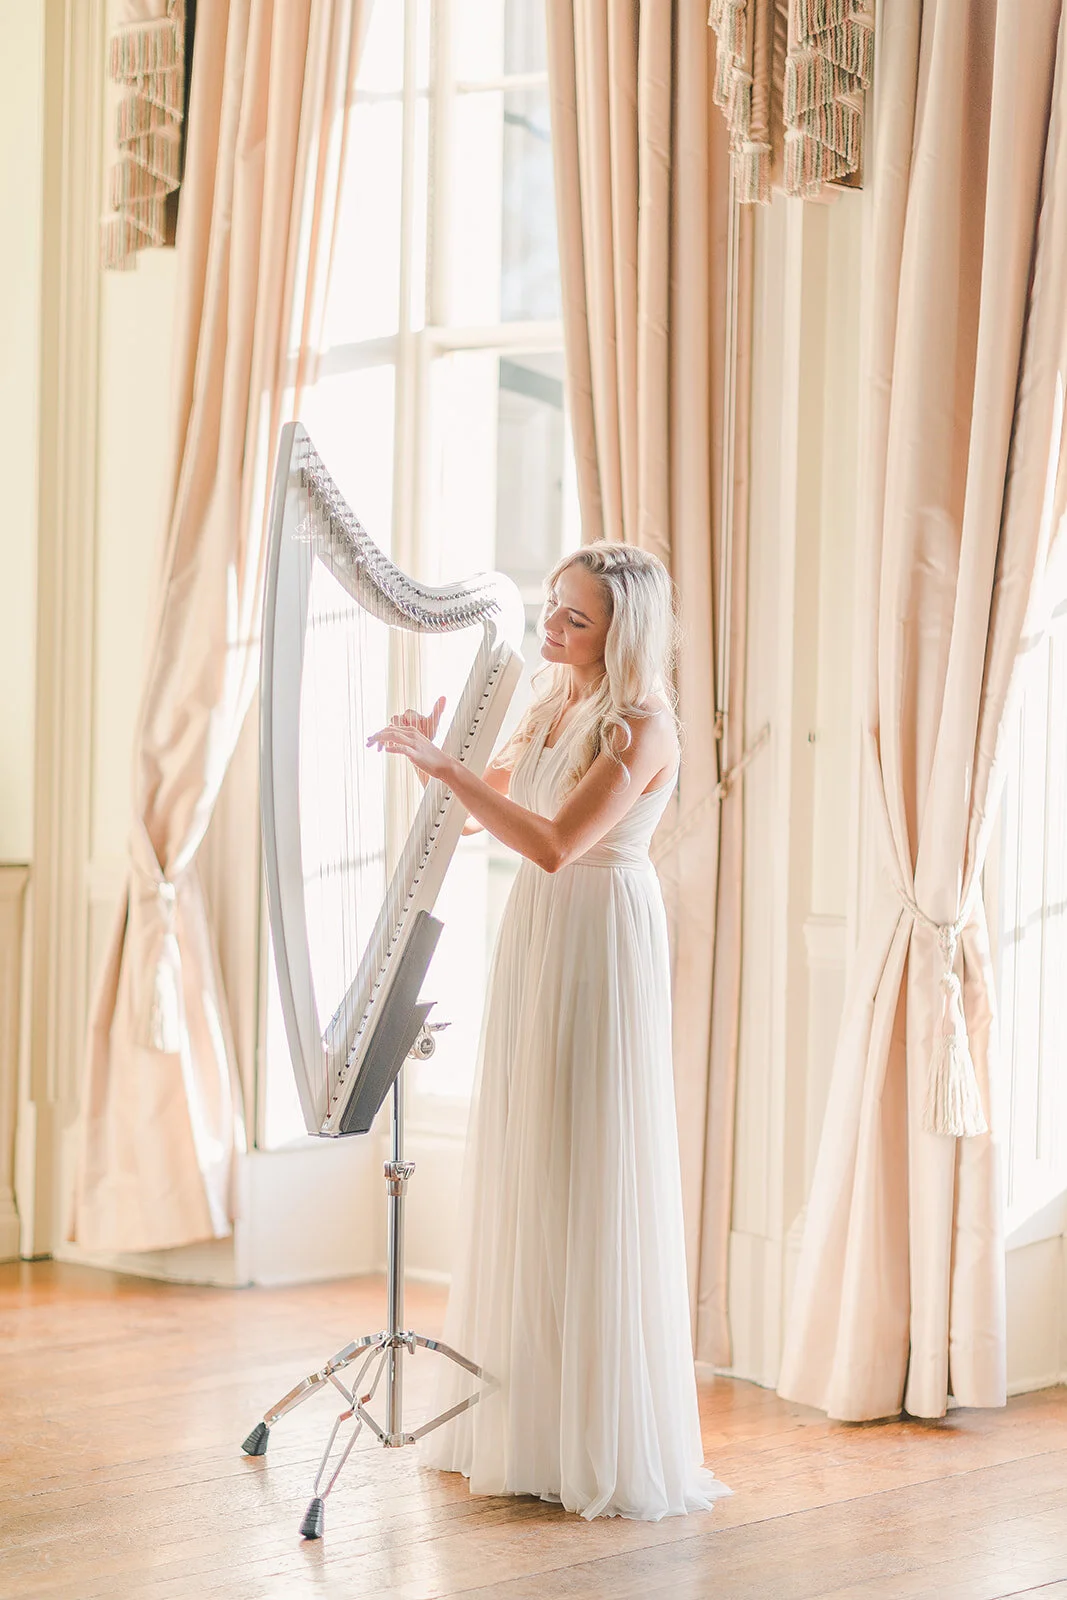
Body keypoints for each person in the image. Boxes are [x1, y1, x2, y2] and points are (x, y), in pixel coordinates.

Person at [368, 541, 730, 1522]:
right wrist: (428, 762)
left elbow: (557, 843)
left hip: (599, 933)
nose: (552, 626)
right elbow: (479, 815)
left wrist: (449, 769)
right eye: (551, 606)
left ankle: (593, 1435)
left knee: (587, 1159)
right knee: (530, 1154)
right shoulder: (548, 698)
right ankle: (524, 1425)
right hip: (536, 932)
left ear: (622, 632)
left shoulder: (641, 726)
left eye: (576, 617)